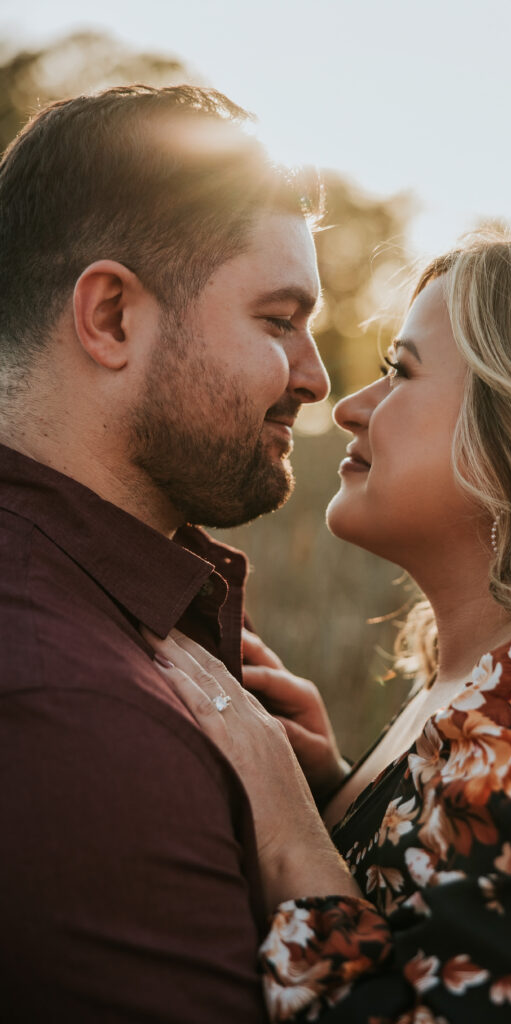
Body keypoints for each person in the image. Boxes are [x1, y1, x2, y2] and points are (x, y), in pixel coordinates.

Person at [146, 237, 511, 1022]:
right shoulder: (508, 693)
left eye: (399, 371)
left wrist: (291, 837)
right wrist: (338, 794)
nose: (348, 406)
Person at [0, 84, 332, 1020]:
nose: (315, 377)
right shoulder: (73, 715)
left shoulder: (121, 624)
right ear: (110, 317)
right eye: (277, 320)